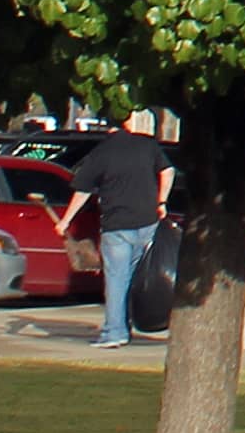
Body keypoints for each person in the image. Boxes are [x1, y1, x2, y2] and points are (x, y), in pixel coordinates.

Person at [64, 115, 171, 345]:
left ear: (105, 127)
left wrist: (65, 221)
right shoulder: (147, 144)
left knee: (116, 280)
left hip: (117, 226)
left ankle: (115, 333)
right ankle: (127, 324)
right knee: (133, 277)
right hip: (148, 222)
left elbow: (82, 190)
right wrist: (161, 201)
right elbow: (168, 171)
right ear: (126, 124)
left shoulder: (101, 153)